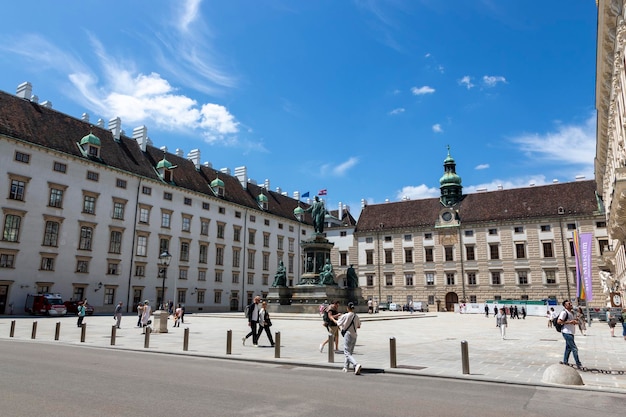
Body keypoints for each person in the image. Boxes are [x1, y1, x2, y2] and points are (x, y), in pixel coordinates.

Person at [337, 302, 362, 375]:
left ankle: (356, 364)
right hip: (354, 335)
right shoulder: (356, 316)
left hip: (348, 334)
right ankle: (346, 367)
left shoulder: (346, 315)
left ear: (347, 308)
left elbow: (338, 323)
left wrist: (332, 318)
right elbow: (359, 326)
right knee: (349, 352)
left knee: (346, 352)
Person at [557, 300, 582, 369]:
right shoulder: (564, 312)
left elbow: (573, 321)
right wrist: (570, 322)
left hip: (571, 332)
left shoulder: (572, 312)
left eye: (570, 303)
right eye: (569, 304)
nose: (571, 304)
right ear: (565, 306)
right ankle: (578, 363)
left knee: (568, 348)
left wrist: (575, 321)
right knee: (574, 348)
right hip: (566, 332)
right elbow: (559, 321)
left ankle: (565, 361)